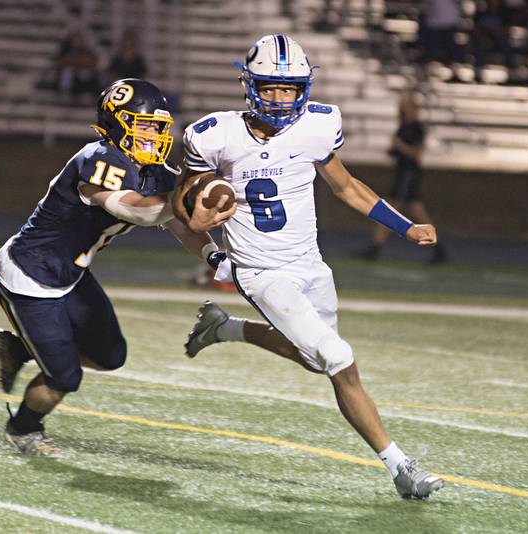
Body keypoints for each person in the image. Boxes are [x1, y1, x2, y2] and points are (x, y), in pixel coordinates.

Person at [172, 35, 445, 500]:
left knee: (312, 359)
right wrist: (207, 244)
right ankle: (401, 467)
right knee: (338, 359)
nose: (280, 98)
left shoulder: (318, 125)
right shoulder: (213, 135)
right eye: (270, 88)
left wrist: (403, 228)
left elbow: (347, 187)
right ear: (249, 84)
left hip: (310, 264)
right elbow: (179, 212)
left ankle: (223, 329)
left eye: (289, 88)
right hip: (260, 271)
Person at [0, 78, 229, 456]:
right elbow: (133, 208)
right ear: (119, 123)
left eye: (158, 126)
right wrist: (183, 194)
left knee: (110, 356)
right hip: (29, 275)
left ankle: (21, 349)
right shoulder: (97, 158)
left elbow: (179, 223)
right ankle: (23, 428)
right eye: (145, 124)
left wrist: (214, 256)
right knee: (65, 377)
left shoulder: (154, 171)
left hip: (71, 273)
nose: (154, 134)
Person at [360, 91, 448, 264]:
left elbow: (416, 154)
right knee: (417, 212)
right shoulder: (403, 126)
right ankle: (439, 250)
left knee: (390, 210)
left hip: (409, 174)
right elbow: (396, 152)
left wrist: (399, 145)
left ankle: (375, 247)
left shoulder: (416, 128)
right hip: (402, 173)